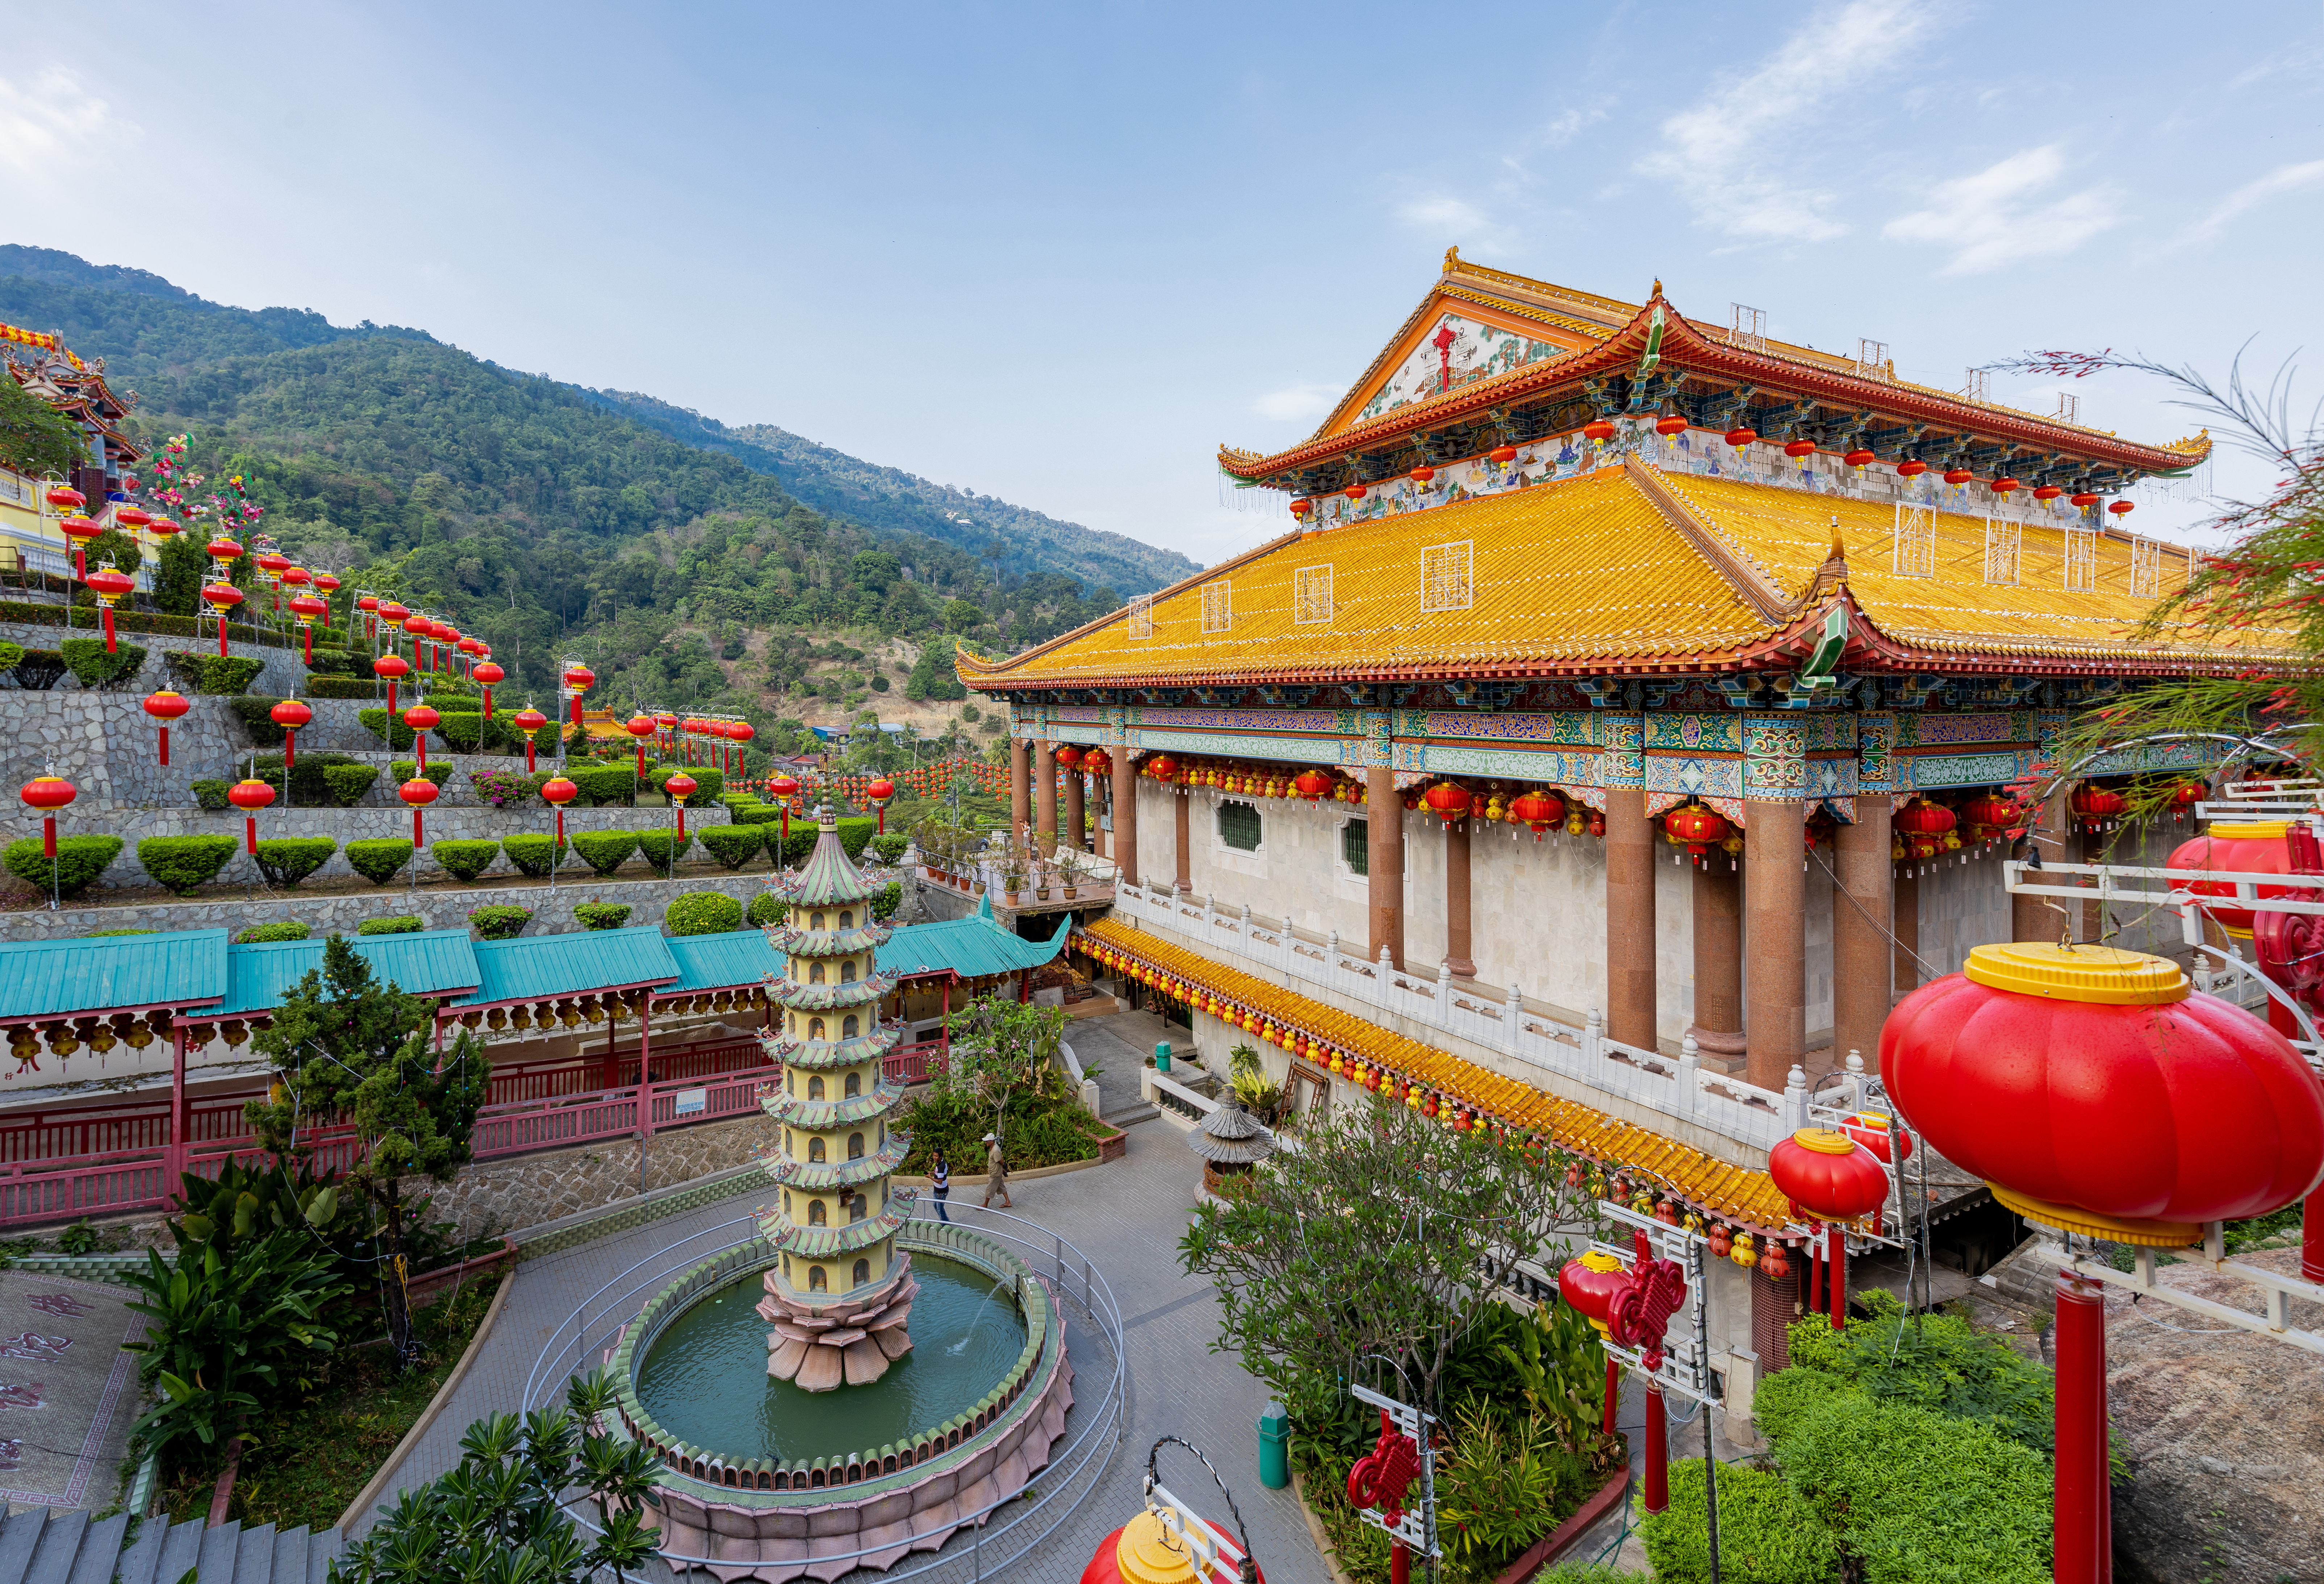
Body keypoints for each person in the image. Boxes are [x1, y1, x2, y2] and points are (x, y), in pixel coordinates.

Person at [981, 1130, 1011, 1209]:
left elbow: (1001, 1161)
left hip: (995, 1174)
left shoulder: (995, 1151)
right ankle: (1008, 1202)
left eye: (987, 1141)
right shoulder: (994, 1147)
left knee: (990, 1190)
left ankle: (985, 1205)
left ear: (992, 1142)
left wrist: (1003, 1168)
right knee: (1001, 1187)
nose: (986, 1143)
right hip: (996, 1172)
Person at [931, 1148, 951, 1223]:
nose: (934, 1157)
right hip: (937, 1190)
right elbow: (939, 1174)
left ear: (941, 1156)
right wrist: (933, 1173)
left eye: (936, 1156)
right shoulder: (939, 1163)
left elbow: (940, 1182)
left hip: (941, 1192)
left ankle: (945, 1224)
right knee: (936, 1206)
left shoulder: (941, 1167)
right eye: (934, 1155)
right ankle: (946, 1221)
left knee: (940, 1209)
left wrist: (930, 1177)